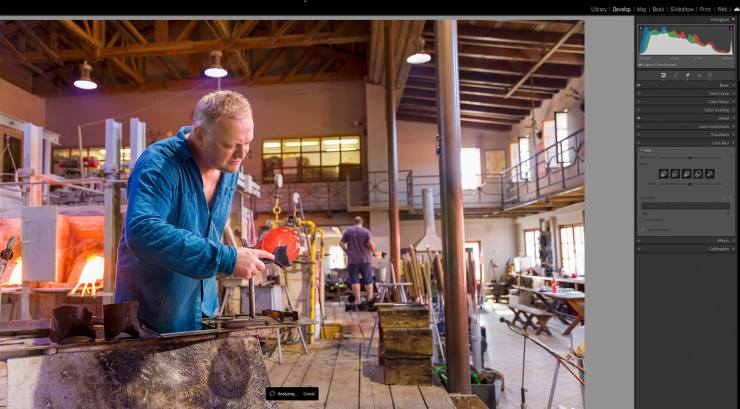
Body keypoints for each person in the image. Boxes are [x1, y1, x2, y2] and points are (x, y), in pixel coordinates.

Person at [114, 90, 274, 333]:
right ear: (200, 134)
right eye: (229, 145)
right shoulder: (159, 164)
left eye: (247, 143)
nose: (242, 155)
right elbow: (142, 230)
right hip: (149, 321)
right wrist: (225, 257)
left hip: (203, 313)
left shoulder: (230, 167)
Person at [340, 216, 377, 310]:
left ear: (354, 222)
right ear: (362, 222)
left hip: (352, 260)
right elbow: (370, 244)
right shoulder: (365, 231)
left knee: (354, 280)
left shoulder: (348, 231)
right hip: (365, 259)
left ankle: (358, 300)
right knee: (368, 279)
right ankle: (369, 300)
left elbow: (341, 243)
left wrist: (346, 251)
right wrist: (374, 252)